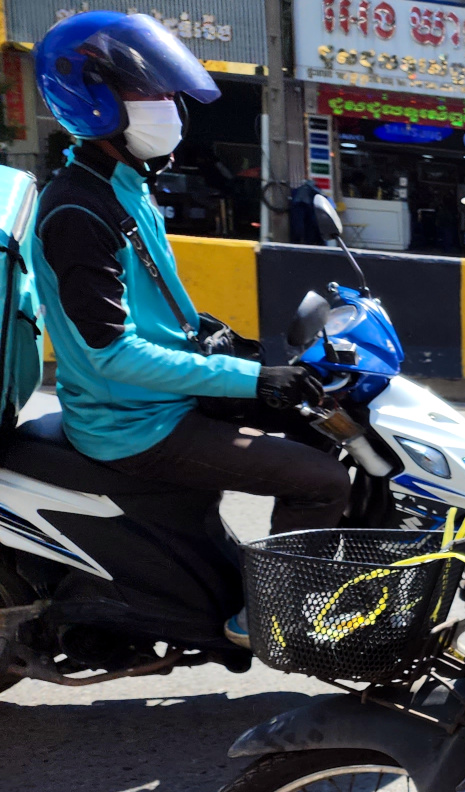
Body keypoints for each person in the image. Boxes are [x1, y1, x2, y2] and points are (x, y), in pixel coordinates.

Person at [32, 12, 347, 647]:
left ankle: (260, 578)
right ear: (95, 101)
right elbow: (112, 351)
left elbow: (160, 309)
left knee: (321, 425)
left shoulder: (124, 187)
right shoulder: (77, 209)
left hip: (158, 398)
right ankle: (267, 619)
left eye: (170, 94)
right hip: (131, 422)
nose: (169, 108)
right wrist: (251, 378)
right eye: (150, 93)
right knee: (322, 482)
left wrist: (236, 349)